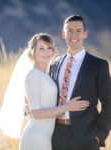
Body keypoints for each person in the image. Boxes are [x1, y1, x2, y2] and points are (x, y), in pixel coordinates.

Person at [48, 15, 111, 150]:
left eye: (78, 30)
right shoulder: (54, 64)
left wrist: (100, 134)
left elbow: (108, 102)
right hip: (56, 135)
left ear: (85, 34)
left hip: (86, 137)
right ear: (64, 34)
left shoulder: (98, 65)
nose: (73, 35)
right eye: (69, 31)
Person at [18, 33, 89, 150]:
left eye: (49, 48)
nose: (46, 52)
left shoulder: (47, 75)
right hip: (36, 137)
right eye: (41, 49)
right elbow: (36, 113)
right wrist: (68, 107)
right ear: (33, 52)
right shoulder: (33, 75)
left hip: (46, 136)